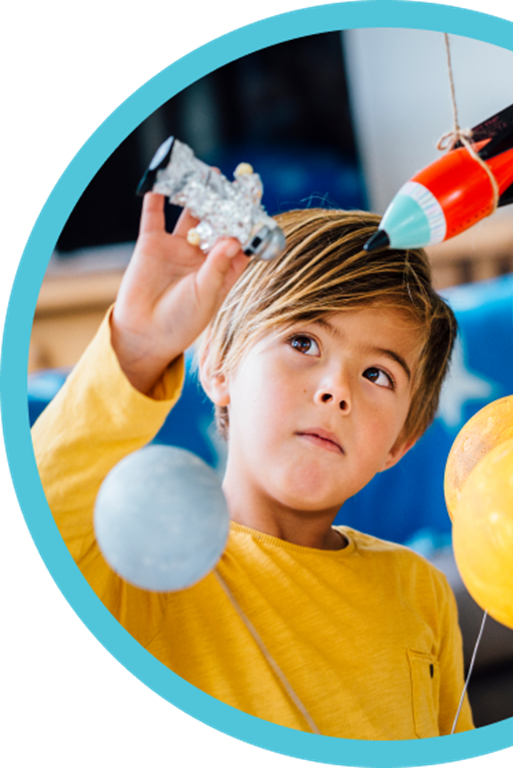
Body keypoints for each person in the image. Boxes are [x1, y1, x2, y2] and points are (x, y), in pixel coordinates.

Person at [32, 193, 474, 739]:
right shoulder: (137, 569)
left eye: (378, 375)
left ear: (400, 442)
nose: (337, 390)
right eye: (304, 341)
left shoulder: (420, 590)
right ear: (219, 365)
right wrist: (139, 349)